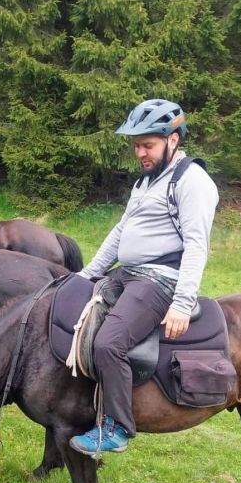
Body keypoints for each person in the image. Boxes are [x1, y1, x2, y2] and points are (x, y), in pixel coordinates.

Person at [69, 99, 219, 456]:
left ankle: (118, 427)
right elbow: (121, 232)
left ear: (173, 141)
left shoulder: (192, 181)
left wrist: (182, 303)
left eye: (147, 145)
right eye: (136, 145)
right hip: (128, 274)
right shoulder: (147, 181)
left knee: (109, 343)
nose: (140, 152)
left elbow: (197, 245)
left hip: (158, 281)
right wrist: (87, 274)